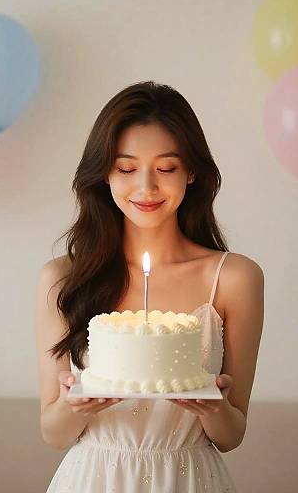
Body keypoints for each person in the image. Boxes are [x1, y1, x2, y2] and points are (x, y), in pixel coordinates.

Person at [34, 80, 264, 492]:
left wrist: (211, 407)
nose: (146, 187)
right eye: (126, 168)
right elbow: (53, 433)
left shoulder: (235, 279)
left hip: (190, 479)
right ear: (104, 173)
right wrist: (78, 406)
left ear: (192, 171)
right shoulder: (61, 279)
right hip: (91, 480)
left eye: (166, 168)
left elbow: (232, 435)